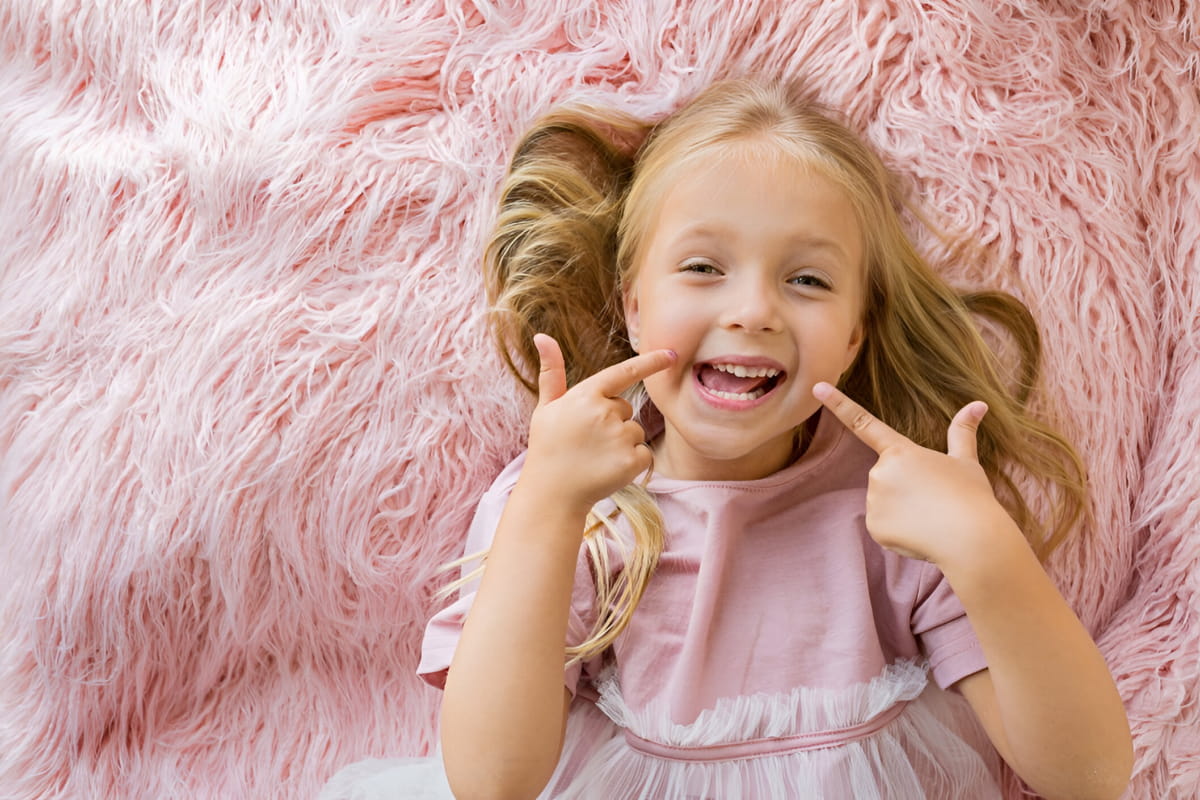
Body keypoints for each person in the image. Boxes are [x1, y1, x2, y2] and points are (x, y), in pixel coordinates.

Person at [322, 79, 1133, 800]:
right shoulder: (577, 504)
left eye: (807, 280)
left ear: (855, 335)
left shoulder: (900, 513)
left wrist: (989, 554)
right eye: (704, 268)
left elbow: (1089, 777)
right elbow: (493, 783)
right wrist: (547, 509)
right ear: (632, 303)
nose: (753, 310)